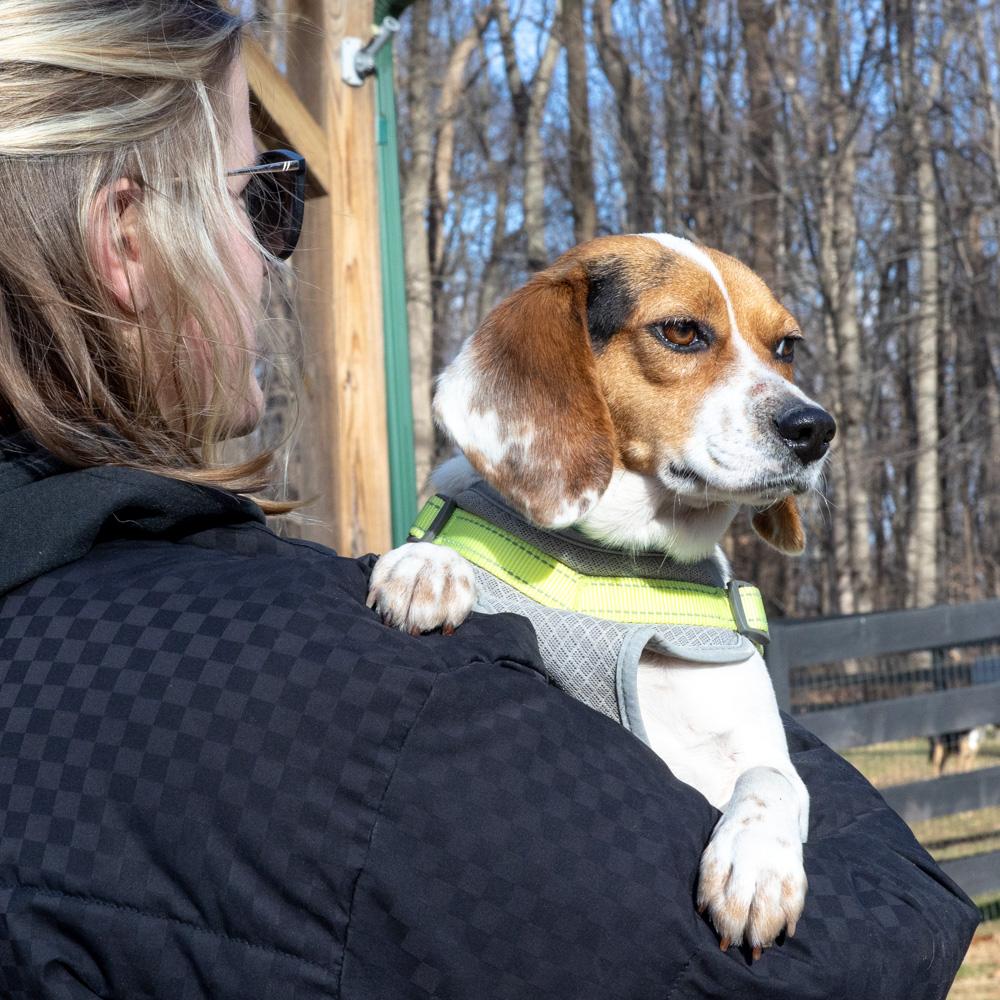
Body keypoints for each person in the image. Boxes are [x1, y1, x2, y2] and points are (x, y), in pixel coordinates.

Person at [0, 2, 979, 998]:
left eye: (779, 348)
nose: (271, 257)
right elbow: (800, 971)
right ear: (126, 240)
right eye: (264, 201)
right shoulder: (344, 685)